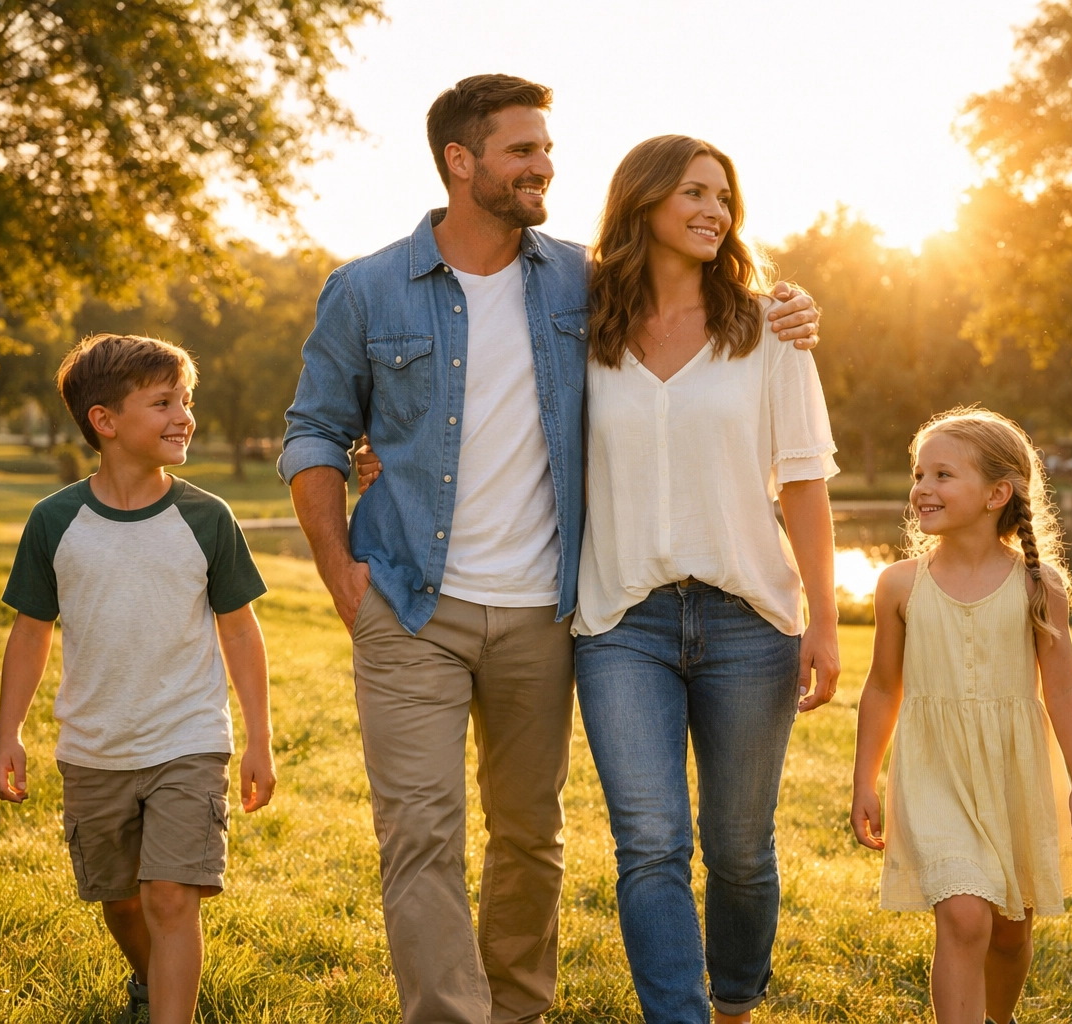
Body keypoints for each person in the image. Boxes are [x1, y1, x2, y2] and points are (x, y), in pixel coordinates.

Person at [280, 75, 819, 1024]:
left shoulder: (581, 279)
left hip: (546, 609)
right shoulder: (365, 290)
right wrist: (339, 571)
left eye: (546, 149)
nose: (545, 167)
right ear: (462, 161)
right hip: (409, 601)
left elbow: (694, 302)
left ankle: (521, 1007)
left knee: (530, 836)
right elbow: (315, 433)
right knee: (422, 835)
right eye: (523, 151)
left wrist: (786, 308)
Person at [569, 134, 841, 1024]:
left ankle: (735, 1005)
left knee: (739, 850)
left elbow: (802, 481)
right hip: (621, 622)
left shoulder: (770, 328)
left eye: (723, 197)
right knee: (649, 845)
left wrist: (826, 624)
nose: (713, 212)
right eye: (692, 192)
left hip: (749, 620)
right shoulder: (580, 325)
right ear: (642, 201)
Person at [0, 333, 276, 1024]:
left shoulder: (207, 518)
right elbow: (31, 632)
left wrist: (260, 738)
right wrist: (9, 734)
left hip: (187, 738)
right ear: (105, 421)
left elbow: (239, 630)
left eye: (187, 400)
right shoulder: (55, 521)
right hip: (95, 747)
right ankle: (155, 981)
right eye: (164, 402)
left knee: (171, 896)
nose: (185, 416)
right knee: (121, 901)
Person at [851, 408, 1072, 1024]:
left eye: (943, 474)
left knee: (1010, 930)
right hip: (936, 772)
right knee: (965, 916)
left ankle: (999, 1018)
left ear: (998, 493)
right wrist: (865, 778)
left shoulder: (1038, 587)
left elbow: (1064, 690)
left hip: (1014, 775)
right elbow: (883, 687)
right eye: (919, 474)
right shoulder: (898, 586)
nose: (922, 489)